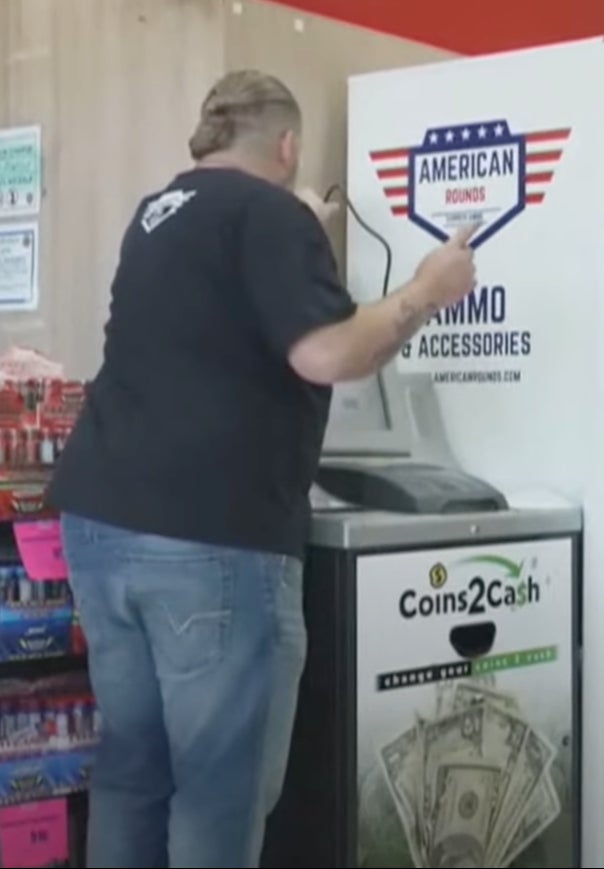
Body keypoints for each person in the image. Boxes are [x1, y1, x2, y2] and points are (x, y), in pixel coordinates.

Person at [47, 70, 479, 868]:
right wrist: (428, 289)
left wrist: (297, 234)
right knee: (219, 791)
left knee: (134, 772)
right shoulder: (272, 215)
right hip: (208, 536)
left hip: (100, 521)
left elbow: (214, 326)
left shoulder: (160, 211)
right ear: (287, 146)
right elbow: (328, 354)